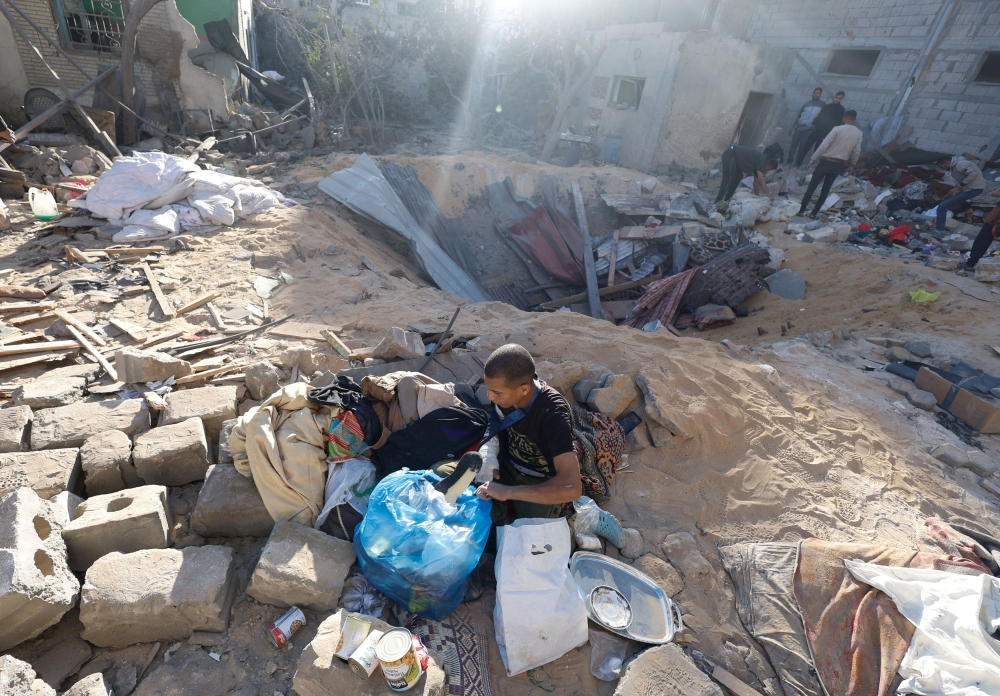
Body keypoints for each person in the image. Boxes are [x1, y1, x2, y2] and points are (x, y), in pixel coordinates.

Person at [474, 344, 581, 520]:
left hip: (539, 481)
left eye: (496, 393)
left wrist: (507, 492)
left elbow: (572, 488)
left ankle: (585, 524)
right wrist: (488, 455)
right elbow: (496, 422)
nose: (490, 397)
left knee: (526, 536)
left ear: (524, 389)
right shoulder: (506, 394)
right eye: (489, 389)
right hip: (506, 466)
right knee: (442, 474)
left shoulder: (553, 414)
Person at [796, 110, 862, 218]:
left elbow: (823, 145)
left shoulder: (837, 129)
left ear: (844, 118)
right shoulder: (858, 133)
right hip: (837, 165)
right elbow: (857, 151)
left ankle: (801, 211)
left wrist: (812, 159)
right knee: (825, 190)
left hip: (825, 162)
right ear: (854, 119)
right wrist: (852, 165)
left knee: (811, 187)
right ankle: (814, 213)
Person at [935, 153, 985, 233]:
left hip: (973, 189)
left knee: (942, 207)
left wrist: (958, 187)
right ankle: (940, 228)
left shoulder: (960, 164)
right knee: (944, 203)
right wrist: (952, 191)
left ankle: (939, 230)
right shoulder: (956, 166)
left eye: (942, 166)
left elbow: (973, 173)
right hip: (969, 189)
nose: (942, 169)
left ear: (947, 163)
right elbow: (962, 179)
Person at [715, 144, 781, 204]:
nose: (766, 170)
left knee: (738, 176)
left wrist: (757, 196)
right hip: (731, 155)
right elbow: (761, 179)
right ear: (769, 166)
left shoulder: (758, 165)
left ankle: (727, 200)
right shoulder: (762, 160)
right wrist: (768, 194)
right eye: (769, 169)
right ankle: (718, 202)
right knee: (729, 179)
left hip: (737, 161)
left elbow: (756, 182)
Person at [795, 91, 846, 167]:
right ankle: (797, 165)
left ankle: (809, 167)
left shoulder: (841, 110)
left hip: (825, 133)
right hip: (816, 130)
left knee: (817, 151)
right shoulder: (826, 106)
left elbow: (839, 123)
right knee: (805, 148)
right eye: (836, 97)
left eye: (839, 98)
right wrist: (812, 125)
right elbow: (819, 117)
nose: (837, 99)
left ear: (842, 99)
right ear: (834, 97)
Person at [960, 189, 1000, 275]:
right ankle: (971, 262)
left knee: (982, 243)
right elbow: (994, 193)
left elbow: (994, 193)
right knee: (980, 242)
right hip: (992, 221)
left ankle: (970, 264)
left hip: (995, 222)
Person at [790, 88, 825, 166]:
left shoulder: (823, 105)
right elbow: (799, 116)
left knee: (802, 148)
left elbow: (822, 118)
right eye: (815, 93)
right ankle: (789, 162)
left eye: (818, 93)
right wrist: (792, 127)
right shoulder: (806, 103)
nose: (816, 94)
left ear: (820, 94)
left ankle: (796, 164)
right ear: (812, 93)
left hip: (808, 130)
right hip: (799, 127)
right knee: (793, 145)